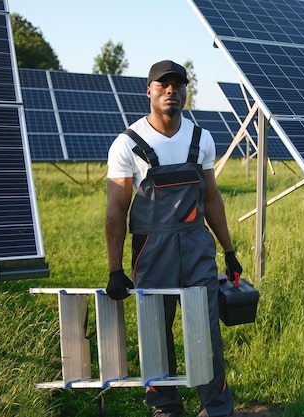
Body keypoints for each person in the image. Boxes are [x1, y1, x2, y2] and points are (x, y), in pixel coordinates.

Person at [105, 59, 242, 417]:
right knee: (155, 331)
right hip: (152, 248)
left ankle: (216, 407)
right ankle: (165, 408)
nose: (171, 90)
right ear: (149, 90)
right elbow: (115, 211)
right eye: (163, 84)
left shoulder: (201, 138)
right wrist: (114, 269)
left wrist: (229, 252)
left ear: (185, 91)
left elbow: (211, 198)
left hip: (197, 247)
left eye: (178, 84)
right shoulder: (128, 144)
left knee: (205, 330)